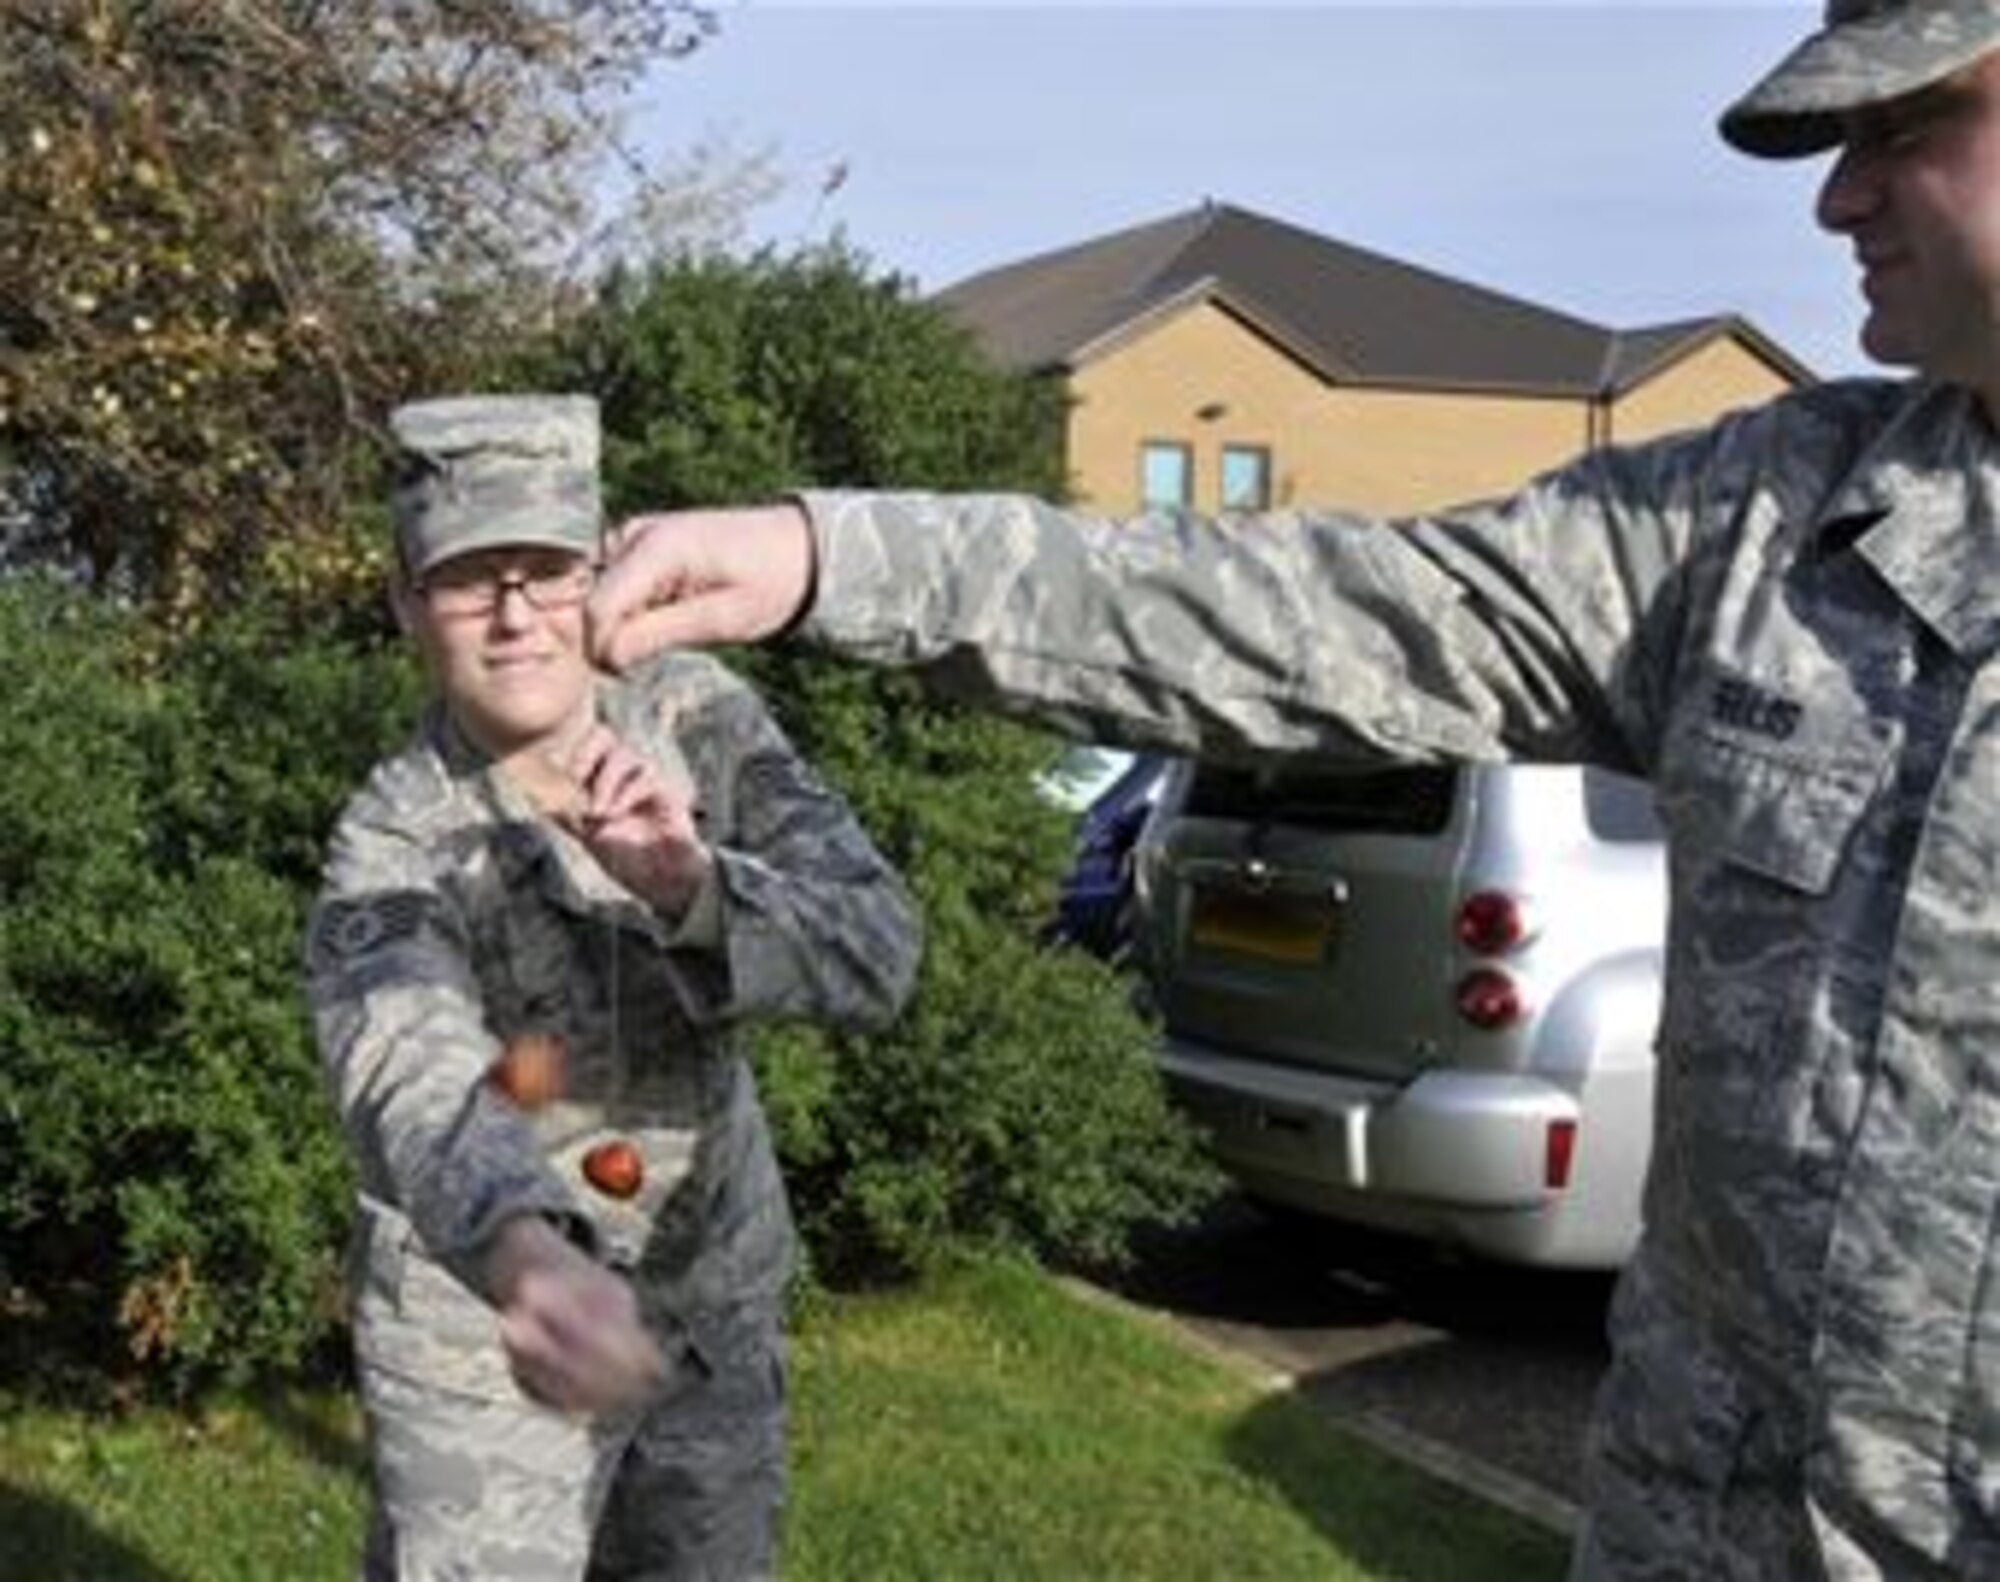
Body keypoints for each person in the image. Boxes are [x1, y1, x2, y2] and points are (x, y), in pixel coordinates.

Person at [576, 6, 2000, 1579]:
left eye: (1899, 129)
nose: (1838, 198)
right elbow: (1315, 609)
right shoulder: (1763, 517)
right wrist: (829, 558)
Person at [305, 393, 921, 1581]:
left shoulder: (700, 719)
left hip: (706, 1304)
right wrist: (529, 1257)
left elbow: (878, 951)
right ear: (402, 603)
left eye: (544, 568)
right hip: (484, 1319)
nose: (514, 612)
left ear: (602, 568)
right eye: (467, 576)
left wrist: (695, 887)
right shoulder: (391, 835)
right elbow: (410, 1067)